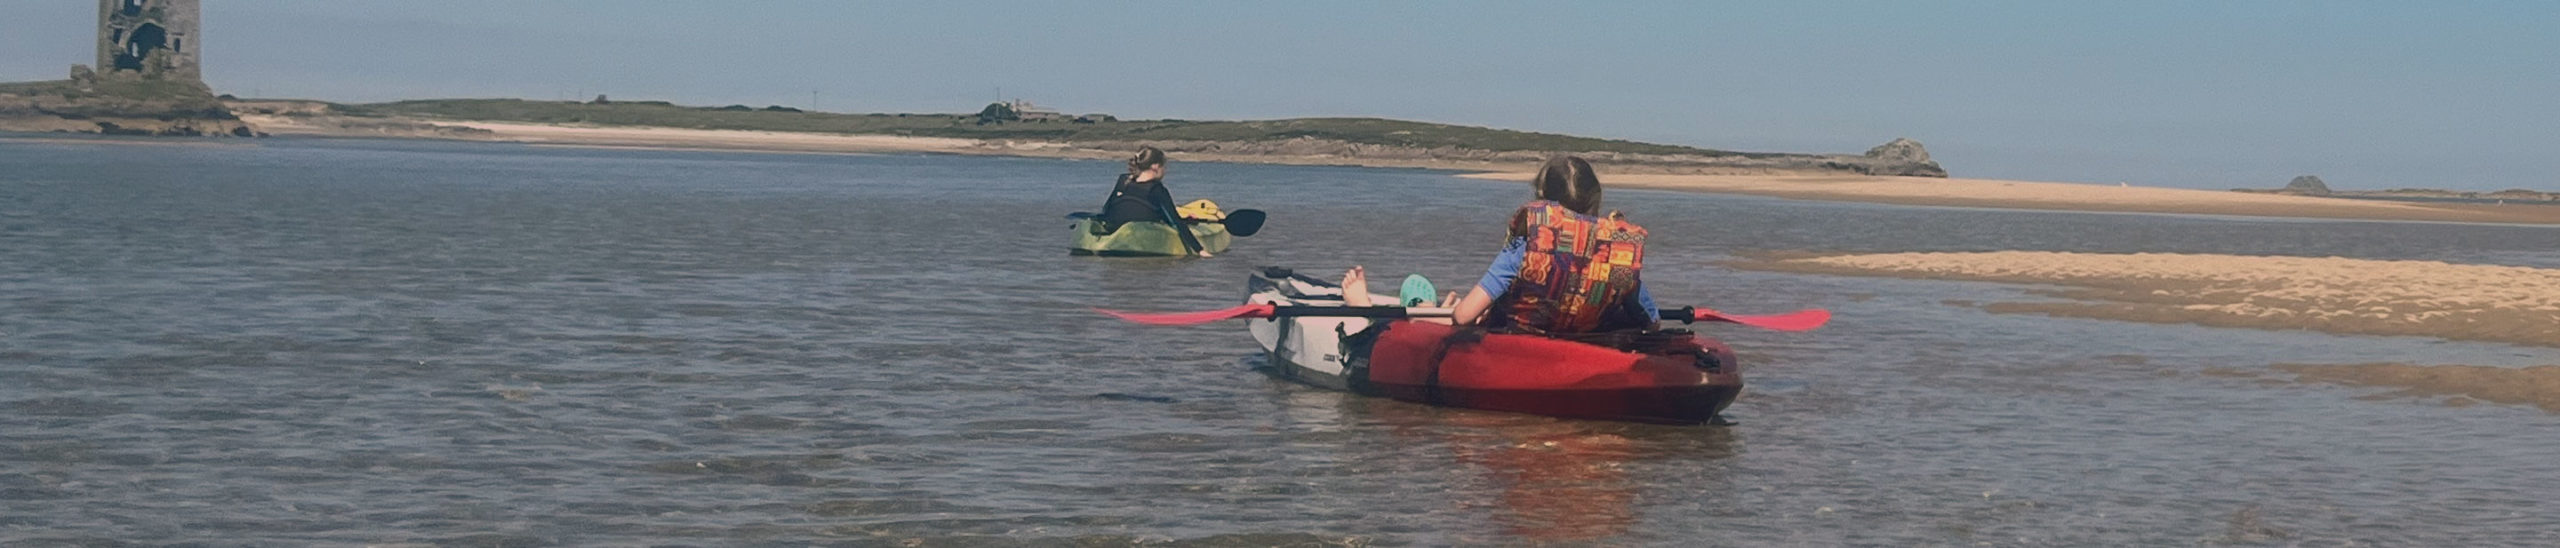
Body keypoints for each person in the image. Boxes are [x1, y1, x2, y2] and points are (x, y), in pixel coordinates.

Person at [1344, 156, 1657, 334]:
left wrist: (1458, 312)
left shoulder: (1530, 244)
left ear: (1542, 200)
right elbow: (1650, 320)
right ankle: (1428, 307)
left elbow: (1464, 317)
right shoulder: (1617, 254)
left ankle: (1369, 308)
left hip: (1518, 343)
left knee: (1453, 314)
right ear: (1596, 199)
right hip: (1580, 341)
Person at [1097, 146, 1211, 257]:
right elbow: (1176, 221)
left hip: (1114, 230)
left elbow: (1107, 209)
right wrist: (1199, 250)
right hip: (1142, 236)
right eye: (1164, 167)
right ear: (1155, 167)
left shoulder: (1123, 180)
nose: (1164, 171)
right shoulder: (1157, 189)